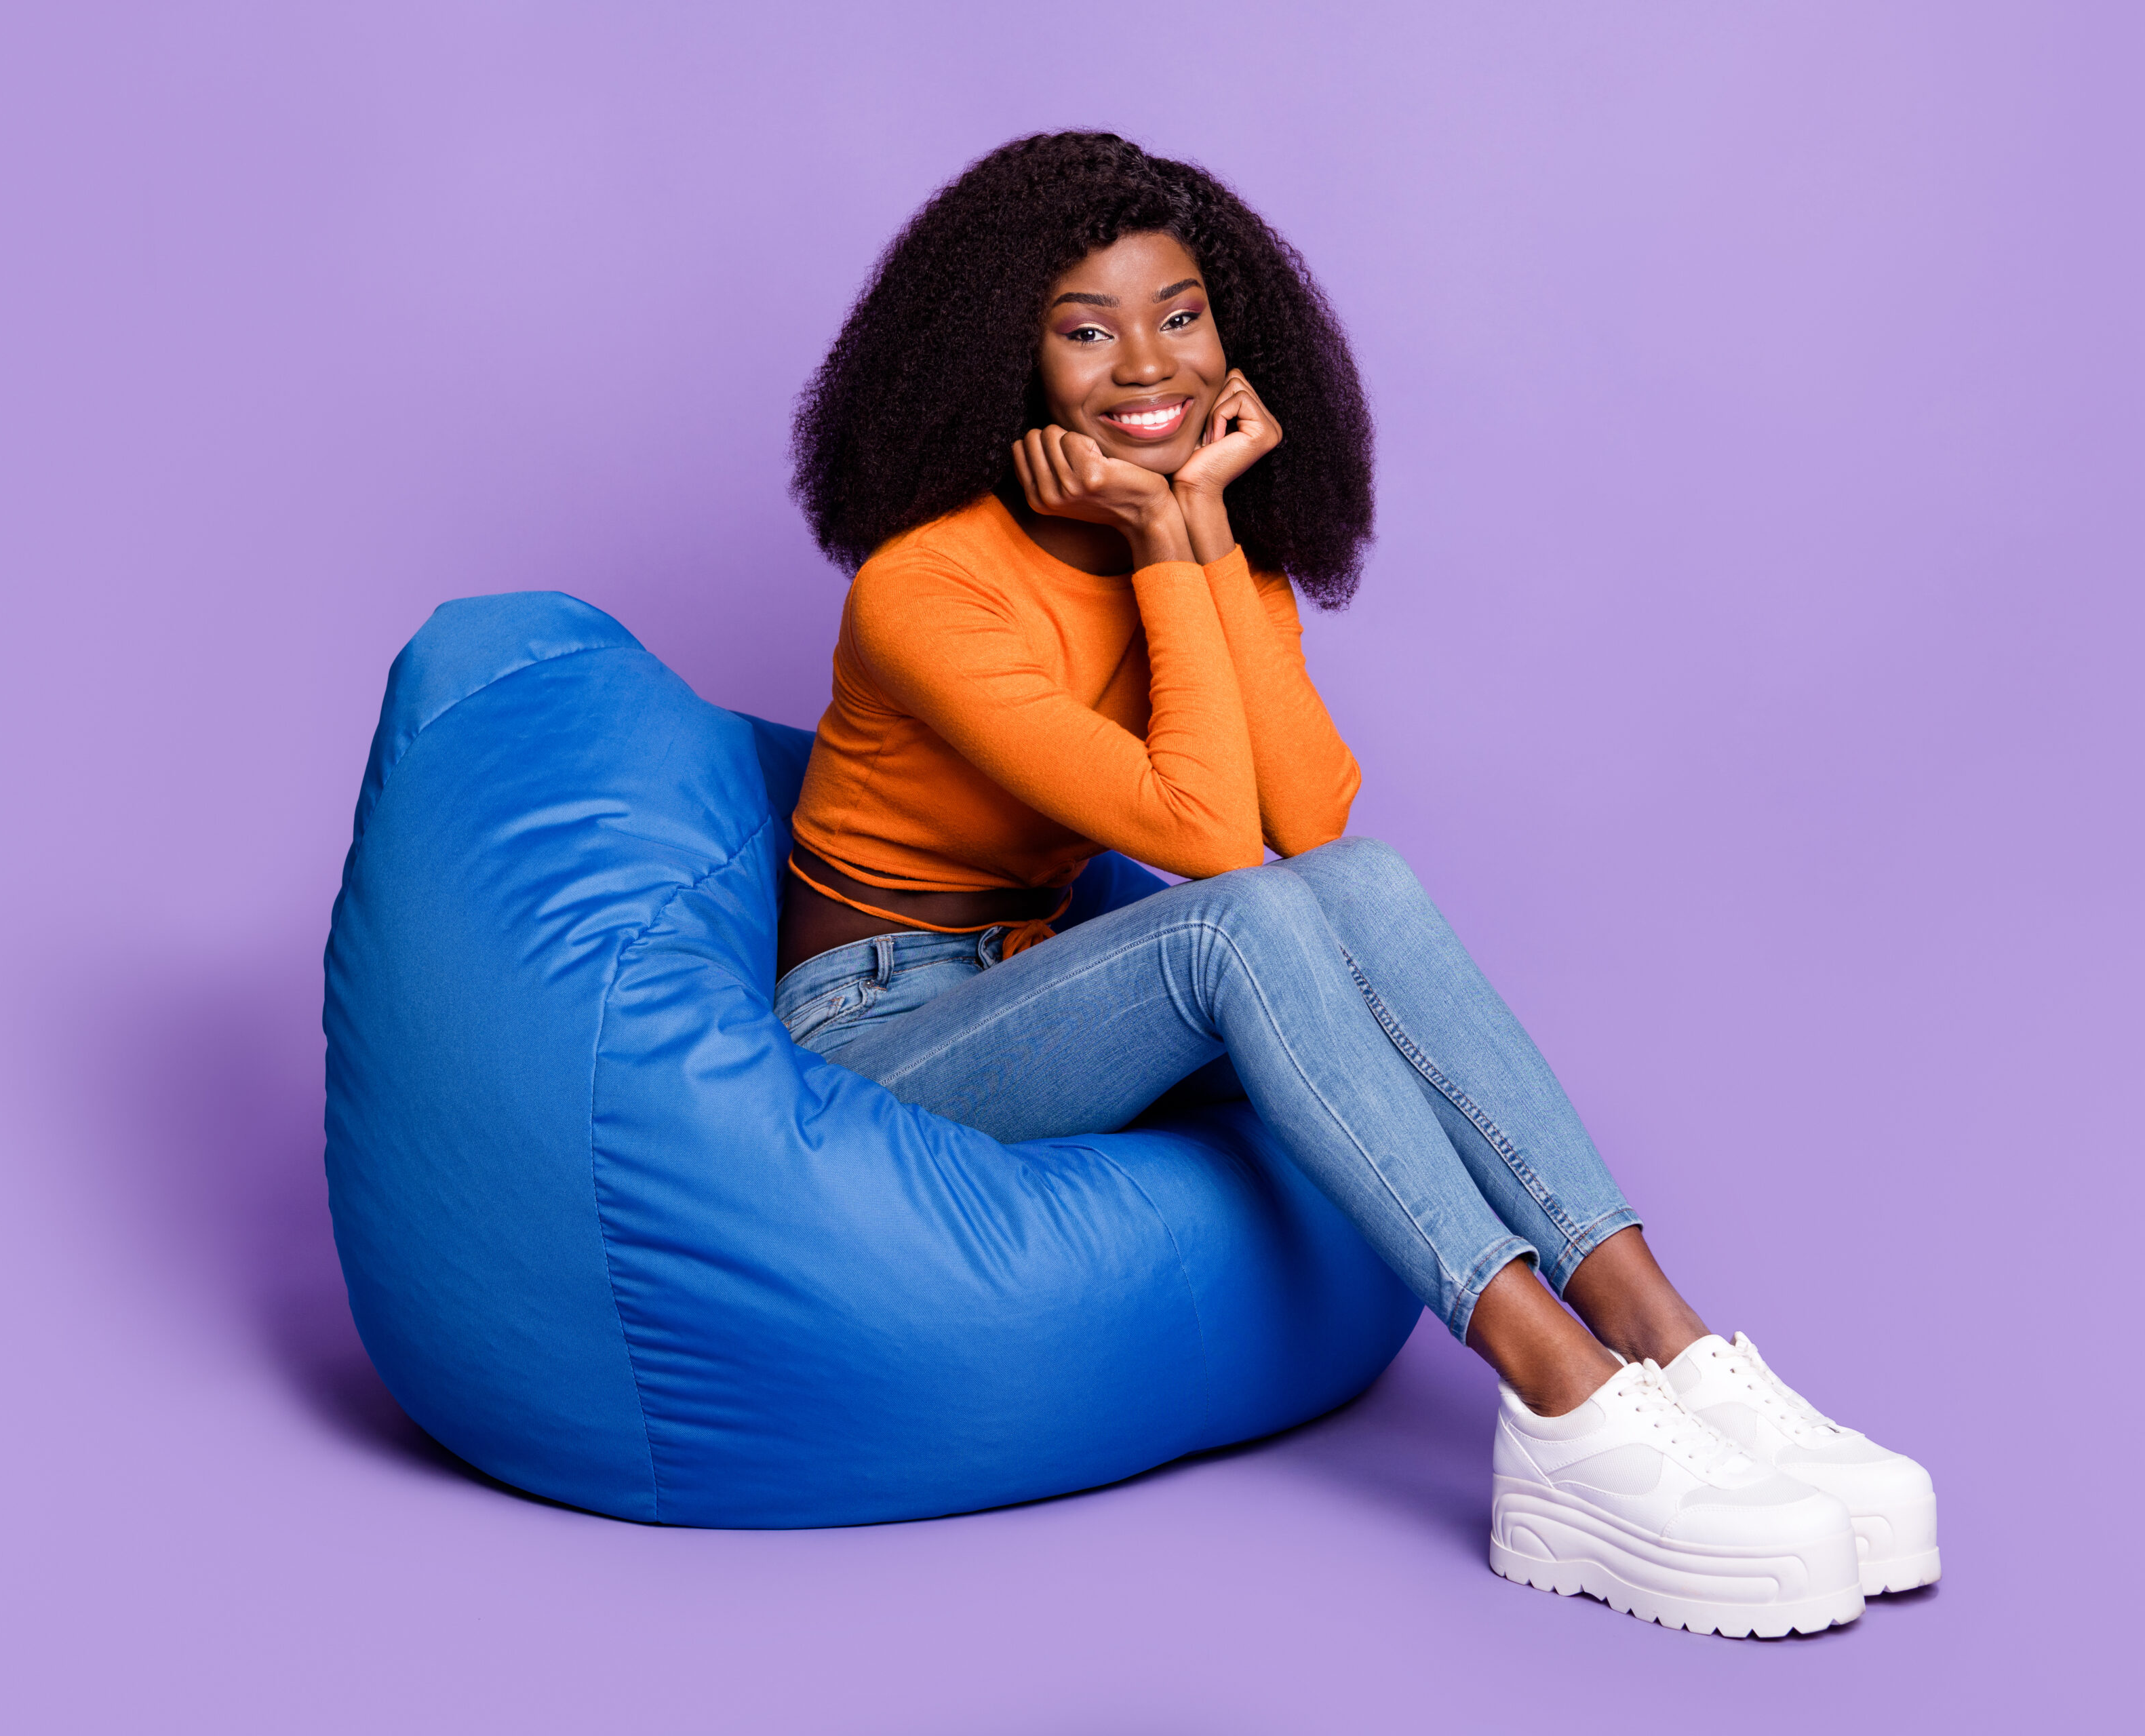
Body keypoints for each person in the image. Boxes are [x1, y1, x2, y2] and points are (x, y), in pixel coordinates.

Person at [776, 132, 1935, 1638]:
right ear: (1004, 361)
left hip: (1039, 974)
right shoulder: (928, 585)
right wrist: (1162, 542)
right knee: (1245, 919)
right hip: (883, 1028)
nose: (1148, 363)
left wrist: (1194, 534)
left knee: (1362, 880)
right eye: (1085, 328)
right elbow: (1207, 837)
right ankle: (1563, 1400)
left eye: (1180, 313)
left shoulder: (1205, 550)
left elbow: (1313, 815)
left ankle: (1668, 1342)